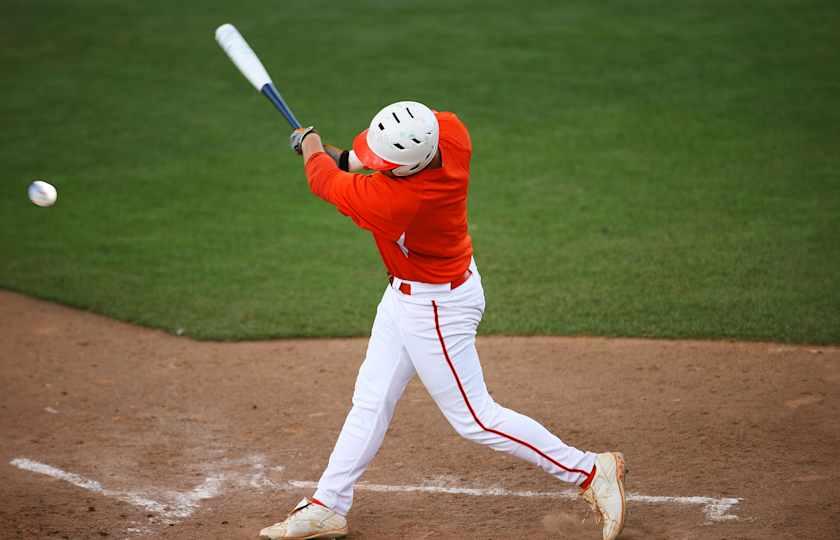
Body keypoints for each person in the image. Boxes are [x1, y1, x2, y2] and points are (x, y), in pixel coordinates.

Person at [259, 101, 627, 540]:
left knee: (476, 418)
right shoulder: (449, 132)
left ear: (405, 168)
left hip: (435, 308)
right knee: (371, 399)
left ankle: (589, 470)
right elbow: (361, 162)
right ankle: (327, 506)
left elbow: (324, 180)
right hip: (413, 293)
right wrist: (330, 151)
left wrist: (311, 146)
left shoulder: (396, 203)